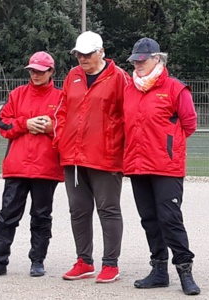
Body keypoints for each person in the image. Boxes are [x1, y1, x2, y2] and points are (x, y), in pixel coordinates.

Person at [123, 37, 201, 296]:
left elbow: (188, 125)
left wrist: (168, 147)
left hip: (166, 166)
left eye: (142, 60)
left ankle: (185, 270)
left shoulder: (176, 89)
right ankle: (158, 270)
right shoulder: (129, 90)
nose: (137, 64)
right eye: (135, 60)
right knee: (149, 220)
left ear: (158, 58)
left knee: (170, 219)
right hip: (137, 165)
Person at [53, 31, 130, 283]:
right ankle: (84, 261)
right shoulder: (73, 77)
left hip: (105, 156)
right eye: (78, 54)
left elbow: (128, 116)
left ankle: (111, 263)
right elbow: (62, 111)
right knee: (78, 210)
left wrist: (120, 148)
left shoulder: (119, 78)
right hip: (73, 157)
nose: (82, 59)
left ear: (101, 52)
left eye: (87, 54)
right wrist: (60, 140)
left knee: (108, 209)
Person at [0, 51, 64, 278]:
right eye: (32, 70)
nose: (35, 74)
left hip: (46, 168)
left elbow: (69, 128)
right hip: (17, 167)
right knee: (7, 215)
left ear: (51, 72)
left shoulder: (61, 97)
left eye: (40, 71)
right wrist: (25, 123)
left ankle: (37, 261)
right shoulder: (17, 94)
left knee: (41, 216)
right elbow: (2, 124)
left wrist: (50, 128)